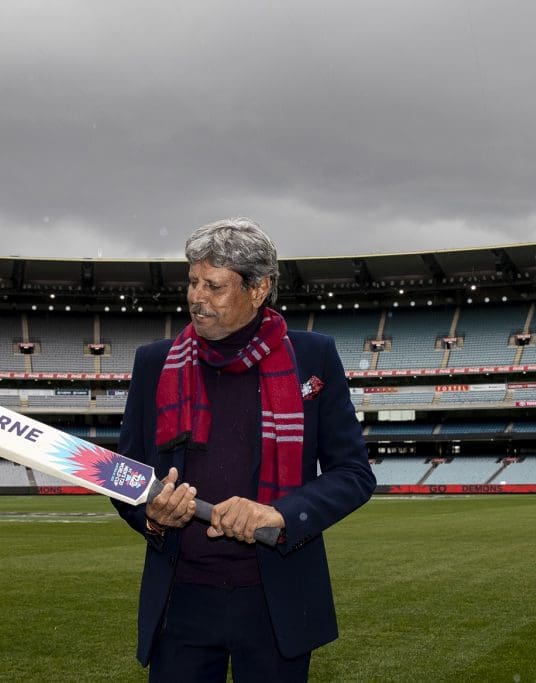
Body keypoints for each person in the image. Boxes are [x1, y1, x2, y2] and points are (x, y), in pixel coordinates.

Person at [113, 217, 376, 681]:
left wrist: (279, 514)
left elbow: (353, 473)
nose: (197, 297)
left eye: (214, 286)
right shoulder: (154, 363)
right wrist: (153, 514)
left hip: (277, 600)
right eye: (193, 282)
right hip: (181, 600)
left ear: (258, 290)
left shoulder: (313, 356)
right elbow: (125, 474)